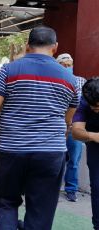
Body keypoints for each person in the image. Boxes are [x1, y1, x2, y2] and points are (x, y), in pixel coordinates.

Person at [0, 26, 79, 230]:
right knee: (41, 210)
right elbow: (67, 121)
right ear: (55, 47)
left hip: (12, 150)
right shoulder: (71, 79)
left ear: (27, 46)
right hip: (51, 153)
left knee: (6, 203)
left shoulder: (8, 70)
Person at [56, 53, 86, 202]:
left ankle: (71, 188)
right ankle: (53, 187)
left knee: (74, 159)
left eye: (70, 65)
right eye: (65, 65)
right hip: (57, 127)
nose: (68, 68)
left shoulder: (81, 81)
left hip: (75, 127)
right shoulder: (54, 81)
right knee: (57, 159)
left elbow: (85, 104)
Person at [71, 78, 99, 230]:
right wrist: (94, 136)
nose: (96, 110)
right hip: (96, 147)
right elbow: (76, 132)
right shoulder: (84, 102)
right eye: (93, 108)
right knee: (98, 186)